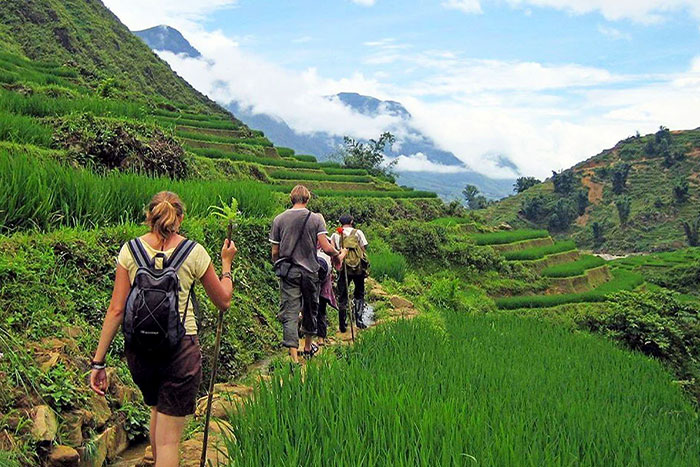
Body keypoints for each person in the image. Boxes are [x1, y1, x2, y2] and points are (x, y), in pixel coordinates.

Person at [89, 191, 237, 467]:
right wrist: (226, 264)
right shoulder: (194, 252)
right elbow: (223, 300)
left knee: (157, 408)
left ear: (149, 217)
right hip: (180, 352)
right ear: (180, 218)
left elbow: (116, 310)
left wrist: (98, 362)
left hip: (140, 353)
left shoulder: (130, 251)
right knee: (170, 442)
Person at [270, 185, 344, 363]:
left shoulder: (279, 219)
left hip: (289, 272)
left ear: (291, 198)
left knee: (291, 311)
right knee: (311, 308)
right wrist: (337, 255)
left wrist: (280, 264)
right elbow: (325, 247)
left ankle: (294, 358)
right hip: (310, 271)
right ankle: (308, 347)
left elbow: (274, 252)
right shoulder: (316, 219)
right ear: (307, 199)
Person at [331, 214, 369, 331]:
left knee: (342, 296)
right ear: (351, 222)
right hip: (358, 268)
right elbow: (364, 248)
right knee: (359, 293)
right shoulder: (358, 233)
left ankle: (342, 325)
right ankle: (359, 320)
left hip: (343, 268)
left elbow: (334, 252)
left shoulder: (335, 235)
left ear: (340, 222)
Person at [315, 237, 339, 346]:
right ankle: (320, 339)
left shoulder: (307, 241)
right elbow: (337, 264)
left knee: (306, 307)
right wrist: (341, 252)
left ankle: (304, 337)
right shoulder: (328, 243)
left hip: (307, 280)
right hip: (324, 285)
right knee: (321, 311)